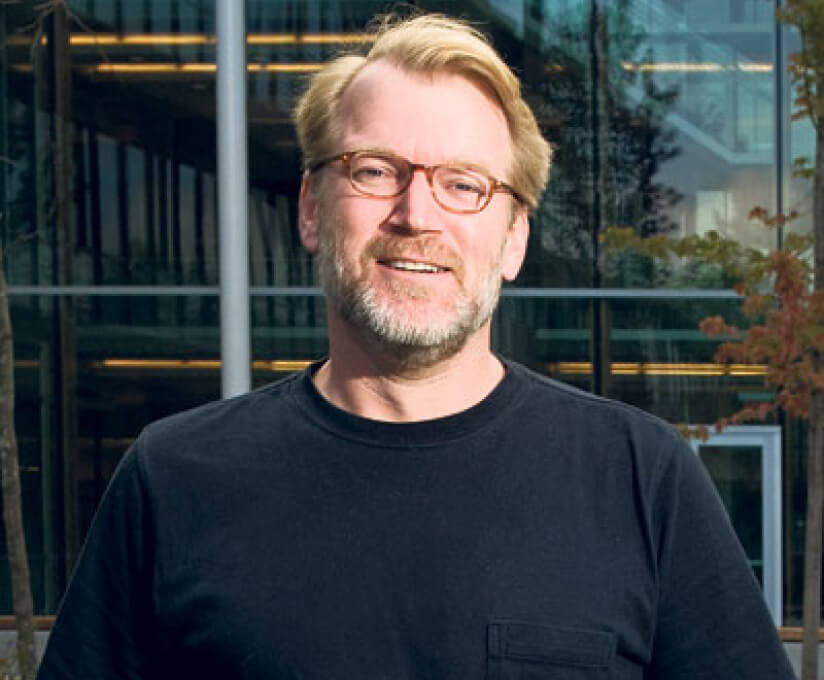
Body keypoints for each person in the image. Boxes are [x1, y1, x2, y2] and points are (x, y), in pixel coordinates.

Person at [38, 13, 795, 680]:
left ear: (513, 238)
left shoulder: (640, 477)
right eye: (374, 170)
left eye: (465, 183)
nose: (415, 212)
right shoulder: (171, 480)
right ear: (310, 208)